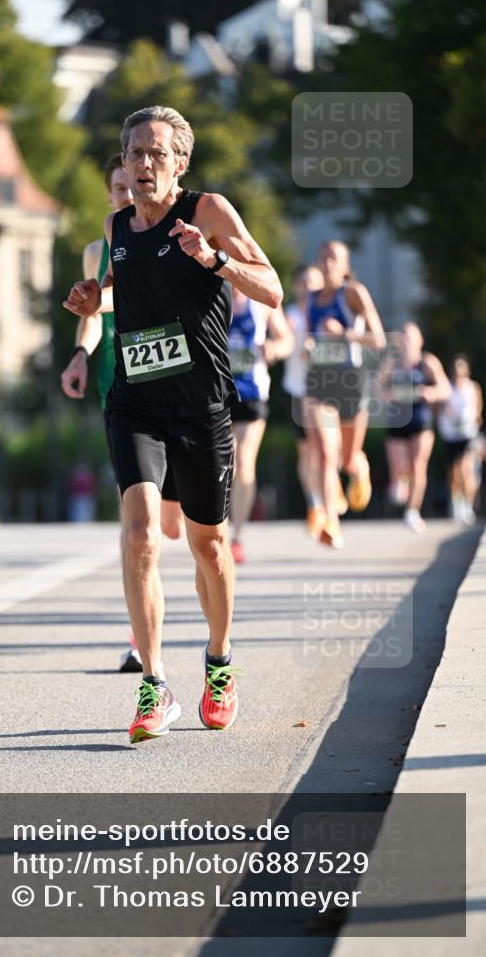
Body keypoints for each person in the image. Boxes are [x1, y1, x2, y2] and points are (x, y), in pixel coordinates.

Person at [64, 105, 283, 743]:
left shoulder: (208, 210)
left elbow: (271, 288)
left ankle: (219, 662)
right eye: (134, 153)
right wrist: (94, 300)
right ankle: (154, 683)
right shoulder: (115, 225)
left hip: (201, 404)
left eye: (157, 153)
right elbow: (122, 288)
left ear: (180, 163)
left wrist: (215, 260)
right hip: (135, 402)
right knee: (139, 534)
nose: (144, 164)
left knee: (208, 544)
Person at [60, 153, 184, 673]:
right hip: (120, 381)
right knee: (137, 520)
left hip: (175, 381)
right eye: (116, 188)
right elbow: (93, 310)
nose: (124, 194)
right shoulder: (98, 248)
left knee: (172, 525)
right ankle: (141, 635)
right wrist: (80, 354)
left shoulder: (170, 233)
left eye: (129, 186)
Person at [304, 241, 386, 549]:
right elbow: (311, 340)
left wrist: (344, 334)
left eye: (334, 258)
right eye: (323, 257)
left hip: (350, 382)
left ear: (345, 265)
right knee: (326, 455)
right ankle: (331, 522)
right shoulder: (311, 298)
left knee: (348, 460)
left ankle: (359, 469)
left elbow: (378, 340)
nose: (327, 263)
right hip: (319, 382)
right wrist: (309, 348)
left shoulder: (353, 293)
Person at [228, 286, 293, 564]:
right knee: (222, 462)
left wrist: (273, 348)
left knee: (244, 461)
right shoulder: (212, 291)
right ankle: (217, 527)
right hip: (217, 393)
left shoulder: (260, 301)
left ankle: (236, 536)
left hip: (252, 393)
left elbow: (287, 340)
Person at [381, 323, 450, 532]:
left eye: (410, 337)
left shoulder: (427, 362)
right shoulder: (392, 362)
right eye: (403, 337)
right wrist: (388, 395)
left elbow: (445, 388)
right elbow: (378, 386)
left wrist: (431, 393)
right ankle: (399, 481)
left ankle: (412, 511)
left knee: (418, 466)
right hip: (397, 421)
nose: (406, 341)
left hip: (420, 420)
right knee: (400, 466)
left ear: (420, 340)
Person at [282, 264, 324, 537]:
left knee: (327, 449)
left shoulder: (328, 313)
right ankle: (315, 502)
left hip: (327, 391)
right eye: (305, 282)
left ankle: (327, 494)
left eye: (315, 282)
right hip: (298, 389)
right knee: (307, 451)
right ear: (297, 287)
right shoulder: (291, 316)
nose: (310, 287)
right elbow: (284, 342)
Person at [438, 355, 483, 525]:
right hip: (450, 435)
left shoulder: (473, 388)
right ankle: (457, 504)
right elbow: (439, 408)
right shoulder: (447, 388)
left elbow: (477, 410)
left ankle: (468, 505)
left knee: (466, 469)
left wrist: (470, 419)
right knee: (453, 473)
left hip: (467, 434)